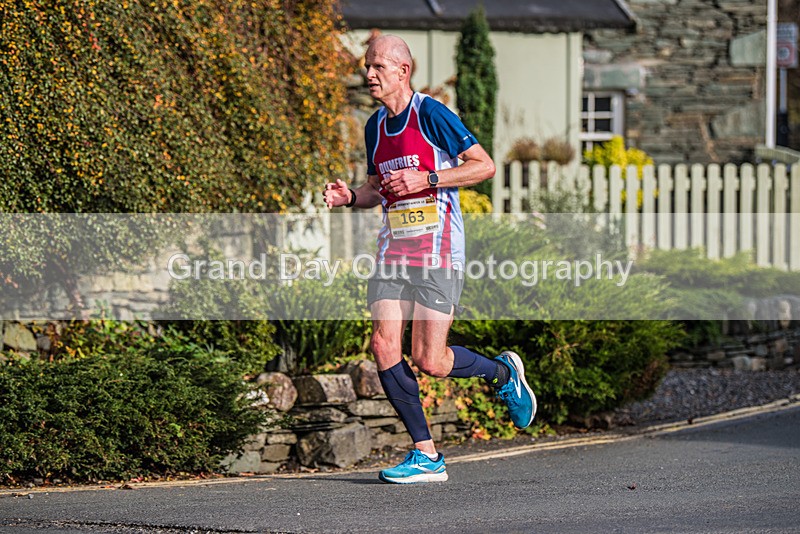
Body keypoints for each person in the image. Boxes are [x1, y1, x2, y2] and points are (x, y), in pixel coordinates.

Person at [324, 35, 536, 484]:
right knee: (383, 344)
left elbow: (483, 166)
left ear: (403, 71)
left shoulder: (431, 114)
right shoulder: (374, 127)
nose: (369, 74)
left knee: (430, 360)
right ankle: (426, 454)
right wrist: (351, 197)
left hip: (438, 250)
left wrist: (429, 178)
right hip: (393, 250)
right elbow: (377, 188)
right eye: (367, 66)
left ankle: (502, 373)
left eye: (378, 66)